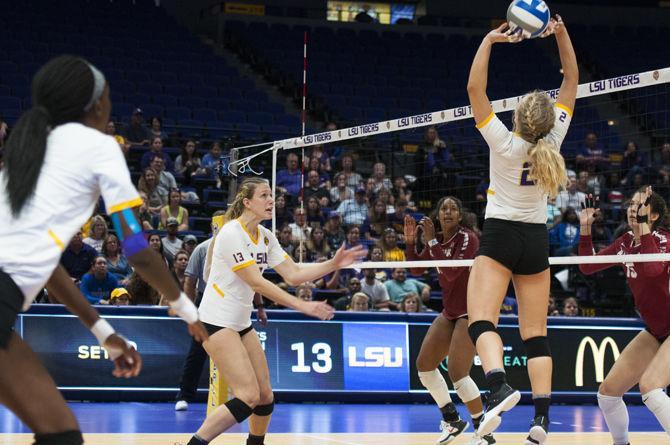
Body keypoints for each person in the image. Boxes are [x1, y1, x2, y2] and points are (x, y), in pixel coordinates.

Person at [0, 55, 206, 445]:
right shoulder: (99, 147)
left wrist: (104, 332)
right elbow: (136, 247)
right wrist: (187, 308)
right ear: (97, 105)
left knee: (58, 434)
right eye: (109, 96)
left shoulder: (30, 148)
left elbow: (44, 266)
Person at [187, 177, 366, 445]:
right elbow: (256, 281)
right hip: (214, 321)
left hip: (239, 322)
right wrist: (303, 305)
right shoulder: (231, 233)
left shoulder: (266, 237)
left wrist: (333, 263)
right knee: (247, 395)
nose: (272, 200)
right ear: (247, 202)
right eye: (264, 195)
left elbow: (293, 274)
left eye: (271, 195)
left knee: (264, 396)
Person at [465, 17, 577, 443]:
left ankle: (498, 385)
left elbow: (476, 90)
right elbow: (571, 80)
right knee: (536, 336)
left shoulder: (505, 142)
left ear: (519, 117)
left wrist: (489, 39)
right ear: (548, 121)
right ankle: (542, 422)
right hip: (534, 240)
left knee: (481, 320)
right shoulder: (557, 137)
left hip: (499, 235)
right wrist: (561, 33)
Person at [580, 187, 670, 443]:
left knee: (650, 388)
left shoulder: (664, 240)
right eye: (631, 203)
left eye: (640, 205)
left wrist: (643, 230)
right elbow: (587, 266)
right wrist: (585, 229)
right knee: (608, 394)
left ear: (653, 216)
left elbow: (652, 269)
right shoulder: (625, 243)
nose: (633, 208)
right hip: (656, 330)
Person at [404, 197, 492, 445]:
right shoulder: (438, 240)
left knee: (458, 372)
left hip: (471, 310)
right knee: (424, 366)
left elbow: (452, 272)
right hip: (451, 311)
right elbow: (417, 271)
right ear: (438, 214)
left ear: (460, 215)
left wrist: (431, 241)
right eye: (444, 208)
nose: (448, 212)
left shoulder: (468, 238)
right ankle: (452, 420)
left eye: (454, 208)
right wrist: (411, 243)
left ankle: (485, 432)